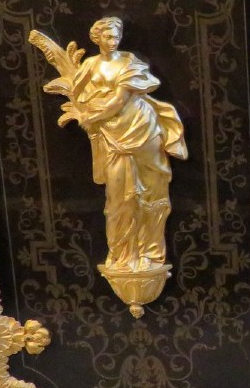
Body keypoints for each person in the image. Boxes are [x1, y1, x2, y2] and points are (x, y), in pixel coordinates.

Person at [53, 17, 187, 286]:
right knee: (118, 197)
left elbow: (118, 100)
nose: (113, 41)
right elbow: (78, 94)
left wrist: (92, 114)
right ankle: (123, 254)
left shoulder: (130, 63)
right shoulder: (89, 66)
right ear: (97, 38)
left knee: (152, 189)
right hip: (111, 135)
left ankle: (150, 253)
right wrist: (84, 111)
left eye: (116, 36)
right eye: (108, 37)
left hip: (141, 127)